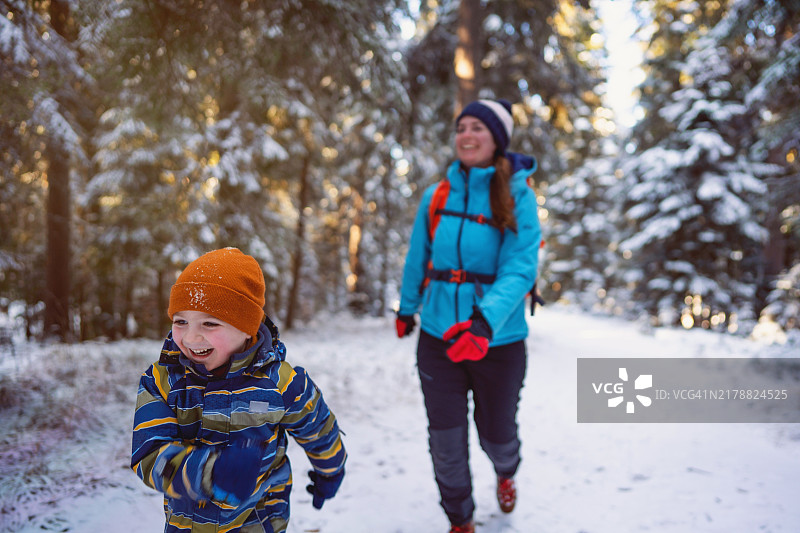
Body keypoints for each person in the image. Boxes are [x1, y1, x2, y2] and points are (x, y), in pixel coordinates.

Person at [396, 99, 541, 533]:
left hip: (497, 341)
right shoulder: (437, 194)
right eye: (461, 127)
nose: (466, 134)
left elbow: (520, 267)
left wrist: (484, 322)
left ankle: (506, 469)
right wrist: (407, 308)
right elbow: (417, 256)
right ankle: (460, 519)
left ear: (496, 138)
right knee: (445, 440)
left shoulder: (517, 195)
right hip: (439, 338)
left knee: (496, 435)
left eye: (477, 126)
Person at [131, 247, 346, 533]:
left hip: (259, 524)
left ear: (247, 328)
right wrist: (211, 474)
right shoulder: (163, 381)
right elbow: (149, 453)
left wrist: (330, 470)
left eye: (210, 323)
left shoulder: (280, 383)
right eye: (180, 321)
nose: (191, 336)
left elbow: (318, 426)